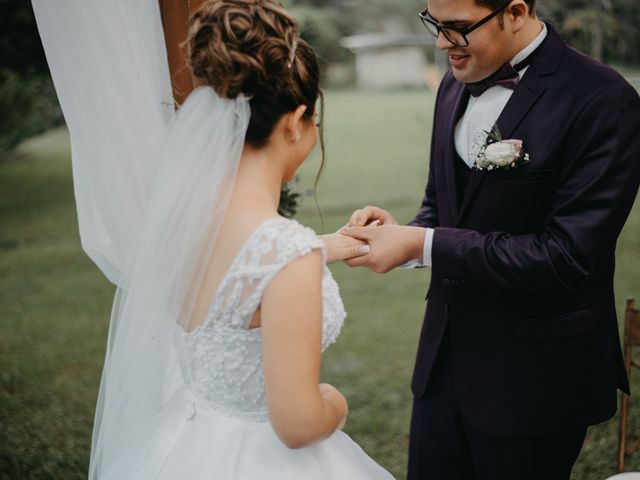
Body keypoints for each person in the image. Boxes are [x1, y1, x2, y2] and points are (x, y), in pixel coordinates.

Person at [34, 0, 391, 478]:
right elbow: (298, 423)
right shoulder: (287, 255)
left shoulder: (180, 225)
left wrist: (328, 246)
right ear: (295, 120)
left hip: (187, 442)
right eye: (313, 123)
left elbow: (239, 276)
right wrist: (335, 402)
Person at [340, 0, 640, 478]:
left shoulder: (603, 100)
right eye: (434, 25)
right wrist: (404, 234)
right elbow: (443, 205)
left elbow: (566, 256)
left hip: (536, 380)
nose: (441, 44)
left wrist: (424, 245)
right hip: (442, 366)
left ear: (515, 12)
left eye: (457, 29)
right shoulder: (453, 83)